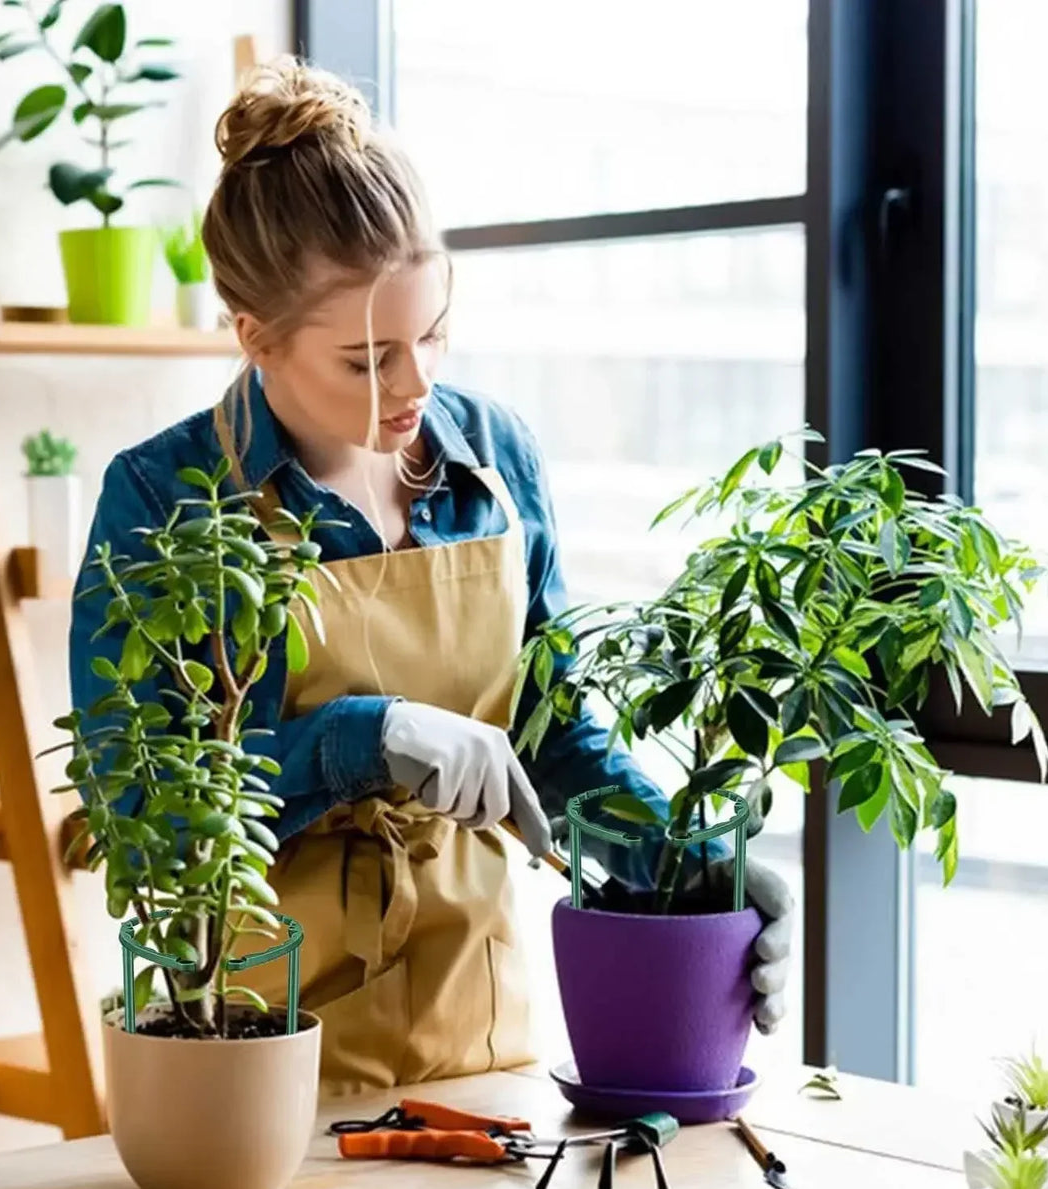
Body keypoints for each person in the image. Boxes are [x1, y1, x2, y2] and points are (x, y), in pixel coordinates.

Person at [69, 57, 793, 1096]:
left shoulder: (494, 462)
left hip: (478, 1036)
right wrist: (356, 741)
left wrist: (691, 873)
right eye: (367, 360)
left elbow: (554, 739)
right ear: (254, 338)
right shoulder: (165, 498)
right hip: (249, 1046)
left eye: (435, 332)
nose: (417, 385)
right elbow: (144, 819)